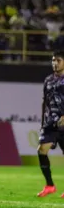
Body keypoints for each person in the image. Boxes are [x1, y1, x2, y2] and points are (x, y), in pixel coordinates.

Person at [36, 50, 64, 198]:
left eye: (58, 60)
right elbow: (44, 102)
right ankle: (50, 185)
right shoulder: (48, 80)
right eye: (53, 60)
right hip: (51, 122)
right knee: (41, 150)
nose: (54, 63)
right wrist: (42, 122)